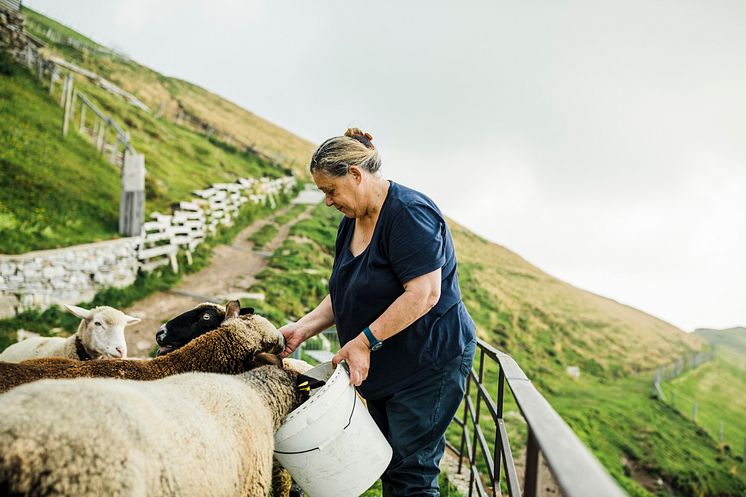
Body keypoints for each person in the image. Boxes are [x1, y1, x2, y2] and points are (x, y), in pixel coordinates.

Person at [279, 128, 476, 497]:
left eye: (330, 190)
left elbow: (425, 293)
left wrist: (365, 341)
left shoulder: (409, 214)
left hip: (427, 363)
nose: (327, 201)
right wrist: (304, 328)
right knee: (389, 460)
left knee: (410, 473)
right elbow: (346, 292)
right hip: (387, 364)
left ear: (355, 174)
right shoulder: (351, 223)